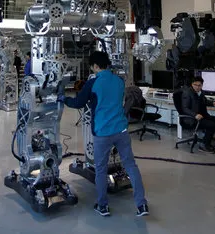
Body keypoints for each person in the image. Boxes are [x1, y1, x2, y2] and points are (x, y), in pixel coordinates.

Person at [59, 51, 149, 217]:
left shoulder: (93, 83)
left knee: (100, 169)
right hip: (121, 130)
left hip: (102, 132)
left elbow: (78, 102)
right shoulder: (119, 81)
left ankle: (102, 205)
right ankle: (141, 205)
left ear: (94, 66)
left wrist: (63, 99)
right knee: (131, 165)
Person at [180, 76, 215, 152]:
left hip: (203, 116)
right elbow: (185, 108)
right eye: (195, 85)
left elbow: (204, 101)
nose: (197, 87)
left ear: (202, 85)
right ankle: (203, 145)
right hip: (193, 118)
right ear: (192, 84)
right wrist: (195, 115)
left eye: (199, 85)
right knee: (212, 125)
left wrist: (213, 103)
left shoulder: (200, 92)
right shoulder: (187, 93)